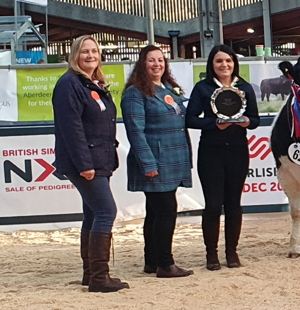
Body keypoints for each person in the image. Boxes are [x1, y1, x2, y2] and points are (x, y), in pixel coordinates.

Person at [52, 35, 129, 293]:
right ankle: (99, 276)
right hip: (85, 163)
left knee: (93, 213)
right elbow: (72, 130)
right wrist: (85, 165)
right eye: (84, 51)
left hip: (100, 159)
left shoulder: (92, 84)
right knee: (106, 212)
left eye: (94, 51)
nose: (90, 56)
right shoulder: (69, 84)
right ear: (75, 55)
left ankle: (90, 273)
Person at [121, 45, 194, 278]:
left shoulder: (167, 89)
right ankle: (165, 263)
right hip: (156, 160)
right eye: (151, 60)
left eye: (160, 60)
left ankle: (151, 261)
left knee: (154, 211)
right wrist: (148, 164)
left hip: (173, 158)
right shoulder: (135, 92)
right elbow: (135, 131)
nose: (157, 64)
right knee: (166, 211)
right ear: (142, 64)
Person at [186, 45, 260, 270]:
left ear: (234, 63)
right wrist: (214, 124)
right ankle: (211, 255)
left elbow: (255, 119)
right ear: (212, 64)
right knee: (212, 204)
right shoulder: (203, 88)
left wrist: (247, 122)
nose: (224, 65)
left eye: (228, 60)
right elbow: (190, 119)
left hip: (238, 150)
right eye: (219, 61)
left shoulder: (244, 87)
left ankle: (232, 253)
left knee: (234, 204)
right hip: (211, 151)